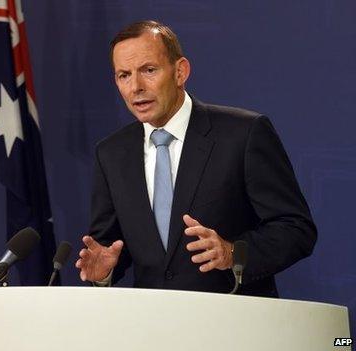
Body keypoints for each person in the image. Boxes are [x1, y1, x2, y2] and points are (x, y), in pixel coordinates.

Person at [75, 21, 316, 296]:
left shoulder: (243, 133)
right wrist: (104, 272)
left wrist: (232, 253)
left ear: (180, 72)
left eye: (149, 70)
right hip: (153, 326)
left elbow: (296, 229)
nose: (136, 87)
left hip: (234, 321)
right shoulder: (112, 153)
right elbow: (110, 247)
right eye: (124, 75)